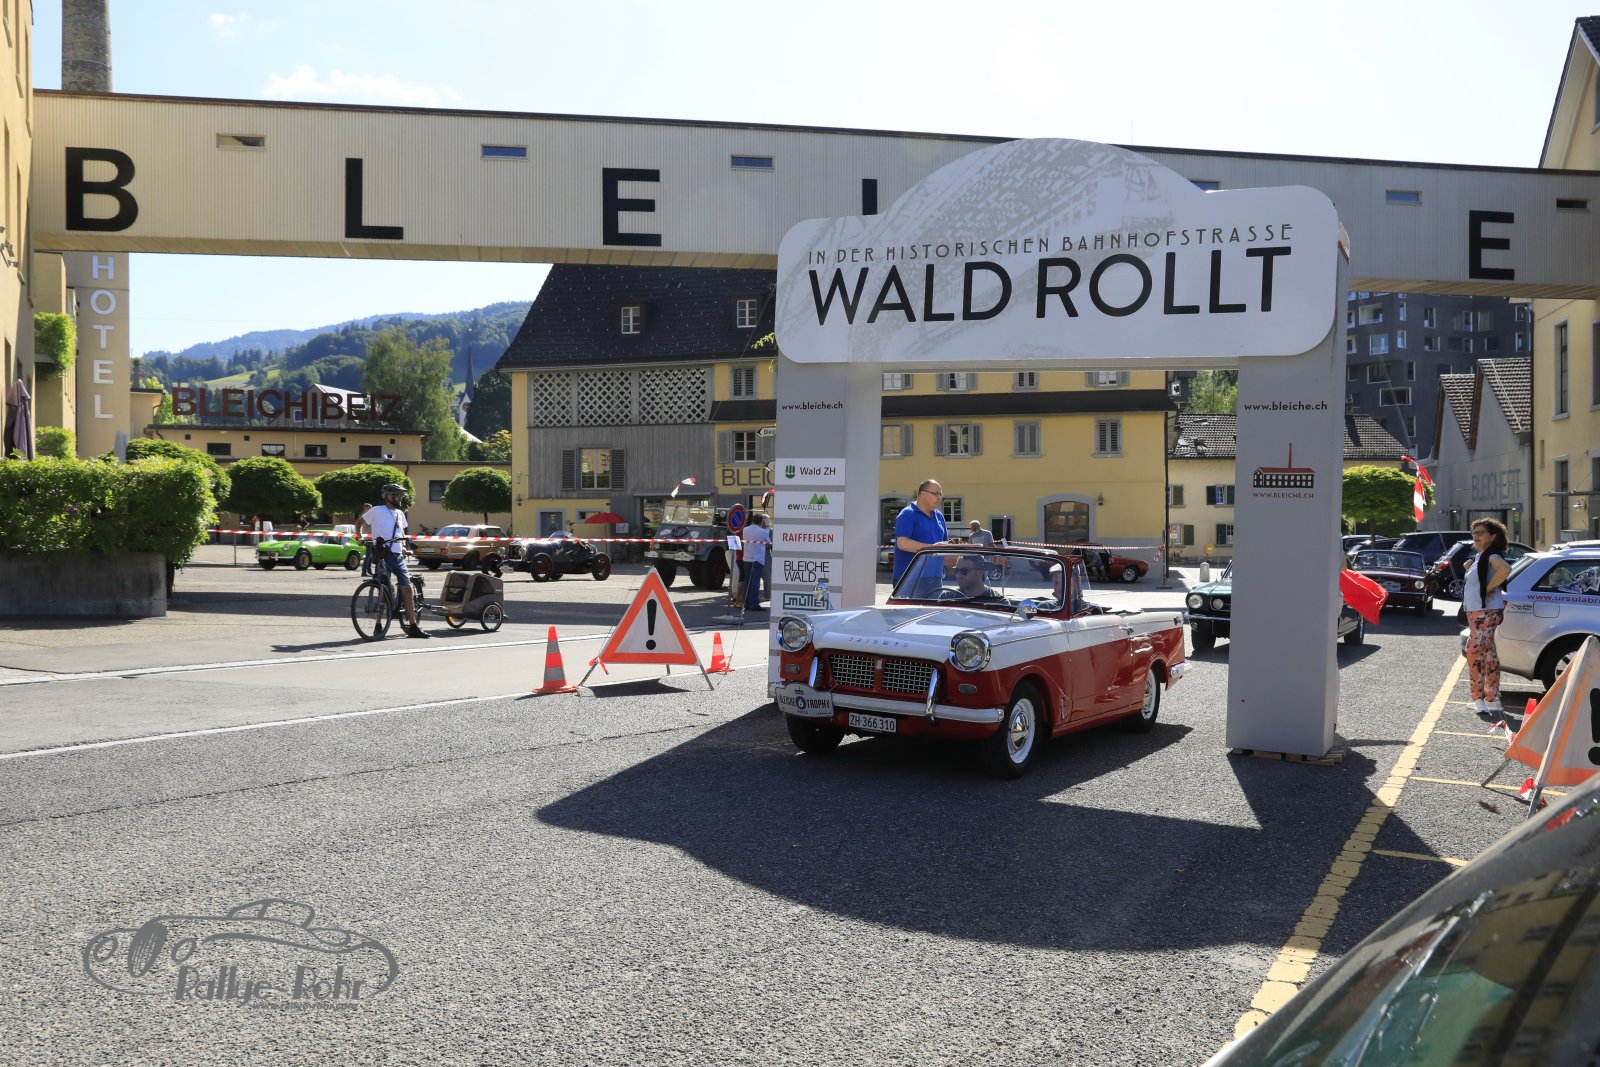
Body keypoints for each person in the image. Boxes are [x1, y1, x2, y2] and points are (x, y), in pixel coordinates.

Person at [366, 483, 430, 638]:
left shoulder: (400, 513)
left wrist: (403, 547)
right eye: (396, 495)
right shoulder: (377, 510)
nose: (400, 498)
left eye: (400, 495)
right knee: (383, 591)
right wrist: (360, 536)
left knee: (406, 588)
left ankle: (413, 626)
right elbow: (359, 523)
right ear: (387, 496)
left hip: (397, 556)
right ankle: (378, 625)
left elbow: (401, 532)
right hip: (382, 554)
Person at [1463, 518, 1511, 720]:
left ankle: (1479, 698)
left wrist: (1488, 588)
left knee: (1473, 650)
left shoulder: (1492, 555)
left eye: (1481, 532)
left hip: (1485, 611)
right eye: (1474, 532)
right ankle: (1492, 696)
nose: (1476, 536)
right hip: (1478, 611)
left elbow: (1505, 569)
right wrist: (1469, 569)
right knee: (1488, 652)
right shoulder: (1480, 556)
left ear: (1492, 536)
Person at [893, 479, 950, 585]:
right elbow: (902, 543)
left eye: (940, 494)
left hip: (935, 579)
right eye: (935, 494)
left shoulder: (939, 516)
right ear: (923, 494)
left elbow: (945, 543)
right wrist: (932, 548)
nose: (939, 498)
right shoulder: (907, 514)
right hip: (909, 580)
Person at [743, 513, 771, 612]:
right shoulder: (763, 532)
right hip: (757, 559)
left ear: (752, 520)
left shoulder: (745, 529)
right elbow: (768, 544)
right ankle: (754, 604)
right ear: (761, 521)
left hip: (747, 558)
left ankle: (746, 603)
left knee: (747, 582)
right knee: (755, 583)